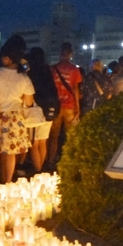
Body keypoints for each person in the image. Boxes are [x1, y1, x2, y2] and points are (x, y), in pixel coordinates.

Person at [0, 35, 35, 184]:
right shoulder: (24, 78)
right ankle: (7, 182)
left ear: (7, 58)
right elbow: (29, 102)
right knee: (10, 152)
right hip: (14, 117)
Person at [46, 41, 82, 170]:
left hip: (56, 106)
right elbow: (75, 88)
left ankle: (50, 161)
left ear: (60, 53)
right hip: (70, 106)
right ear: (70, 54)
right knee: (71, 135)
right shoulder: (74, 70)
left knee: (53, 136)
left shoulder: (52, 69)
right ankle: (70, 160)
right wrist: (78, 107)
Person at [23, 46, 58, 174]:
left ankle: (37, 169)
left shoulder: (31, 71)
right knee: (43, 141)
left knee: (34, 142)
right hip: (49, 109)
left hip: (36, 109)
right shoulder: (47, 69)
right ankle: (41, 167)